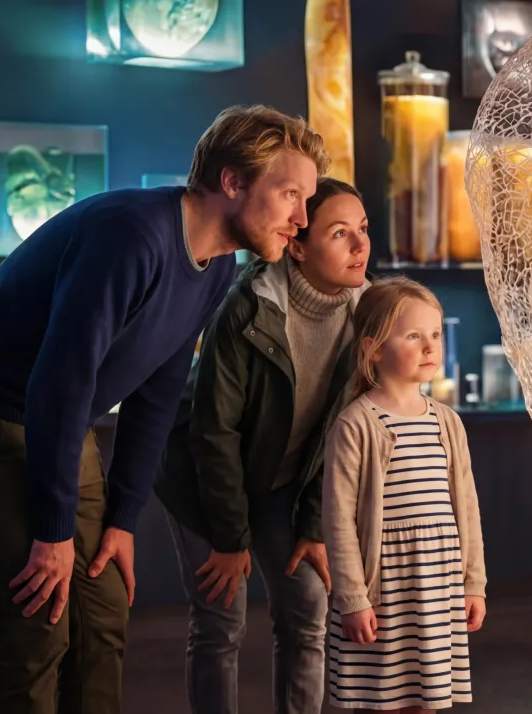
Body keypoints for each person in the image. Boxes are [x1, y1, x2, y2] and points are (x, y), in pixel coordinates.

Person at [0, 104, 329, 714]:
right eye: (290, 195)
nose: (302, 220)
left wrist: (120, 518)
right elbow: (59, 383)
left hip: (62, 417)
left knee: (105, 604)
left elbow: (158, 388)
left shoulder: (218, 263)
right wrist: (53, 531)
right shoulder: (132, 237)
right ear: (233, 182)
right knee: (38, 620)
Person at [154, 176, 372, 714]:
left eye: (363, 230)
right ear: (297, 243)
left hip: (286, 483)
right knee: (220, 621)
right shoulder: (246, 307)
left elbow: (344, 440)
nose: (361, 246)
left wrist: (313, 526)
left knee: (307, 612)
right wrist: (230, 540)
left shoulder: (369, 318)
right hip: (205, 478)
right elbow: (213, 432)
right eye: (340, 233)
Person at [322, 277, 488, 712]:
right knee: (379, 697)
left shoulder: (448, 422)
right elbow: (338, 522)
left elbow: (467, 510)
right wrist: (353, 598)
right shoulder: (356, 425)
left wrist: (474, 583)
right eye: (414, 336)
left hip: (438, 585)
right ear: (375, 348)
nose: (430, 347)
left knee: (426, 698)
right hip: (386, 590)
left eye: (435, 334)